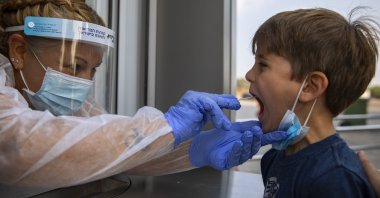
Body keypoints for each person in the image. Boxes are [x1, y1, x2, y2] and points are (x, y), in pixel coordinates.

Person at [0, 0, 287, 197]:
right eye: (74, 66)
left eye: (93, 69)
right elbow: (15, 146)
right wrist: (166, 126)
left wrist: (193, 149)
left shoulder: (77, 106)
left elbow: (108, 152)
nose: (84, 81)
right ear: (19, 52)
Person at [240, 7, 378, 197]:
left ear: (310, 87)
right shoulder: (272, 158)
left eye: (263, 64)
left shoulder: (335, 177)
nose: (248, 75)